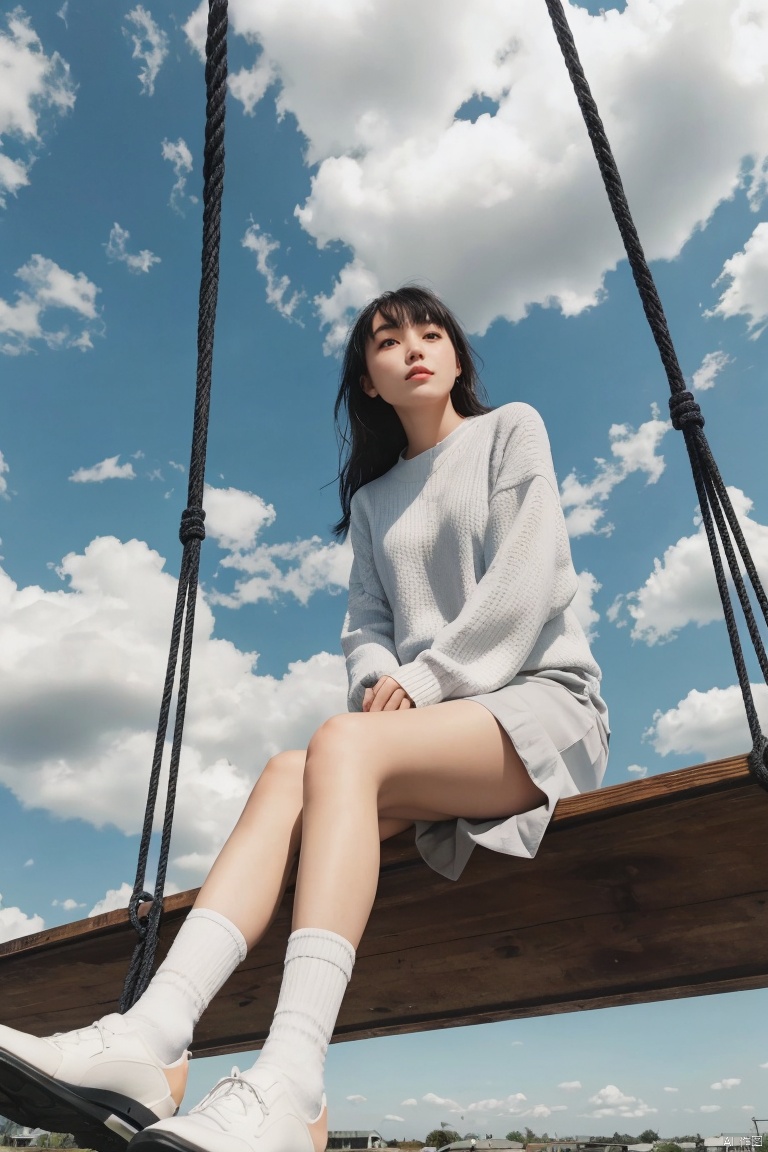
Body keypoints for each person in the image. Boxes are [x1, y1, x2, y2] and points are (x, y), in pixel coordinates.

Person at [0, 286, 608, 1152]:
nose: (415, 349)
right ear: (368, 381)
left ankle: (294, 1083)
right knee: (291, 771)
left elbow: (533, 575)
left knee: (334, 748)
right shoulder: (371, 502)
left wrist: (428, 679)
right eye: (389, 341)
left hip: (540, 704)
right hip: (431, 733)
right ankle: (152, 1038)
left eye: (432, 334)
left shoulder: (511, 430)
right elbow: (366, 626)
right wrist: (378, 682)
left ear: (459, 359)